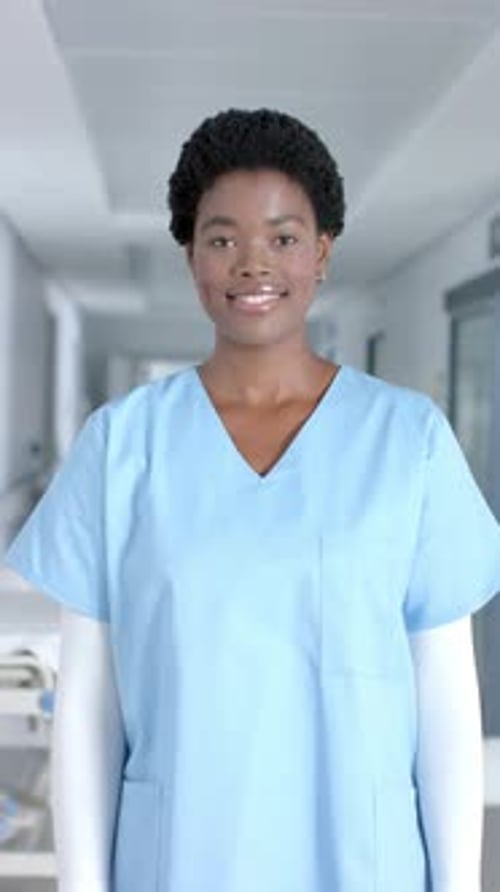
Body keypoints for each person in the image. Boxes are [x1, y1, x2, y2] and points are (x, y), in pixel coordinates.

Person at [4, 108, 500, 892]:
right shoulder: (123, 446)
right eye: (222, 237)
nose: (252, 263)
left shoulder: (409, 442)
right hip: (180, 856)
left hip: (360, 860)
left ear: (323, 253)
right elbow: (90, 702)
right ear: (191, 254)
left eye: (284, 236)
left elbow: (444, 694)